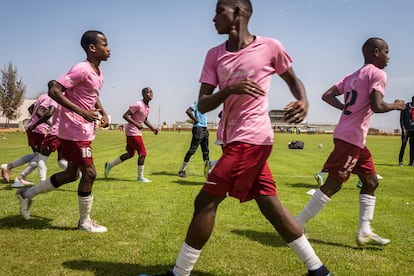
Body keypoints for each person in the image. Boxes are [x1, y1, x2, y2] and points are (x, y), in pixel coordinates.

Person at [155, 1, 331, 275]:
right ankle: (318, 270)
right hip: (232, 138)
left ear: (238, 12)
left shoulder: (270, 47)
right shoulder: (214, 55)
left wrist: (303, 101)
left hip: (253, 138)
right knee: (269, 204)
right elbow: (202, 104)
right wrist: (230, 90)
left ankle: (179, 273)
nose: (213, 18)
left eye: (219, 11)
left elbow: (294, 80)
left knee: (205, 202)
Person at [296, 37, 405, 247]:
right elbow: (377, 105)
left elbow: (327, 95)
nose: (388, 57)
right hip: (351, 138)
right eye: (386, 52)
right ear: (375, 52)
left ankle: (364, 231)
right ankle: (297, 225)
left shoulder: (353, 75)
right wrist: (396, 105)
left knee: (371, 182)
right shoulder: (379, 74)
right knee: (334, 184)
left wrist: (347, 110)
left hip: (350, 136)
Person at [16, 30, 111, 233]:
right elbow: (55, 91)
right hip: (74, 129)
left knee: (71, 174)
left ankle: (27, 194)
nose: (109, 49)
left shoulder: (98, 73)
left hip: (82, 129)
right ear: (92, 48)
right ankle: (84, 222)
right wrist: (81, 112)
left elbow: (91, 95)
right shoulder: (81, 69)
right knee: (90, 173)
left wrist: (102, 112)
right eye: (105, 44)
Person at [104, 87, 158, 182]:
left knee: (130, 154)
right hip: (132, 132)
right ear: (144, 94)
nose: (151, 94)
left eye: (151, 92)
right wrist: (137, 124)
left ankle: (110, 165)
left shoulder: (148, 107)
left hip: (135, 132)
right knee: (143, 153)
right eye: (148, 92)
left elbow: (144, 119)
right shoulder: (138, 104)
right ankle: (140, 177)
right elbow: (125, 115)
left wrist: (152, 129)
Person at [2, 93, 56, 187]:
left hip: (33, 128)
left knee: (37, 155)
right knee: (40, 157)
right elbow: (39, 112)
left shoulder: (43, 96)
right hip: (38, 130)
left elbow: (31, 108)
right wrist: (49, 123)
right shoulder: (49, 98)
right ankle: (20, 177)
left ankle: (8, 167)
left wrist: (34, 120)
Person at [178, 101, 210, 178]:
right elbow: (188, 111)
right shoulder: (198, 102)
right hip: (198, 129)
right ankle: (182, 170)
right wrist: (195, 120)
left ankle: (208, 172)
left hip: (205, 129)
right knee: (192, 150)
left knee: (206, 151)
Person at [398, 96, 414, 166]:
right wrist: (403, 128)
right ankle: (400, 161)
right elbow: (401, 119)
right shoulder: (406, 107)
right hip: (406, 129)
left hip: (413, 130)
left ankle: (411, 162)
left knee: (412, 146)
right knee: (403, 145)